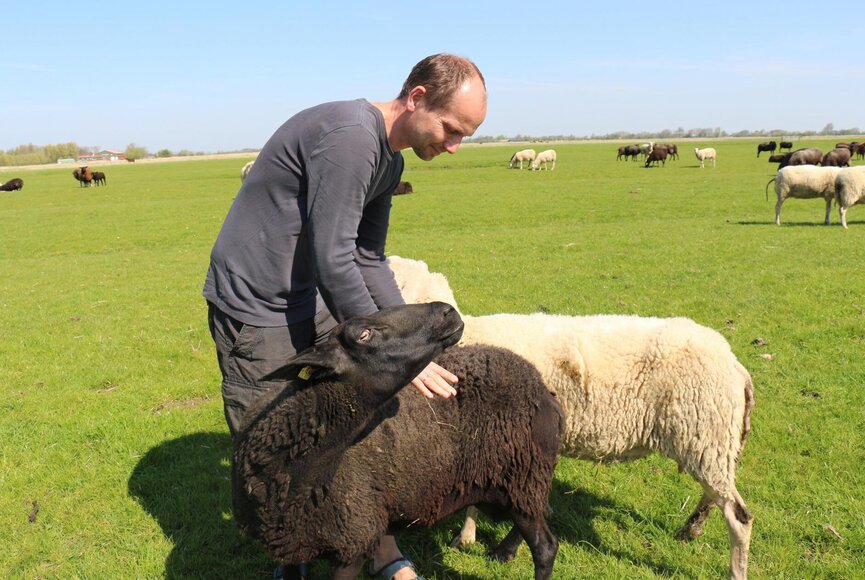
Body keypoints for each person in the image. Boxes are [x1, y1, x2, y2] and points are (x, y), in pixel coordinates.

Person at [203, 53, 487, 580]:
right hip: (255, 304)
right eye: (451, 128)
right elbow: (335, 254)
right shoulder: (351, 136)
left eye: (464, 135)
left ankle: (376, 549)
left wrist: (409, 339)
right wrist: (395, 352)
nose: (453, 145)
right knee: (274, 437)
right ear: (417, 97)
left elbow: (366, 258)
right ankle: (293, 557)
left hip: (312, 296)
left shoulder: (391, 161)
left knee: (349, 427)